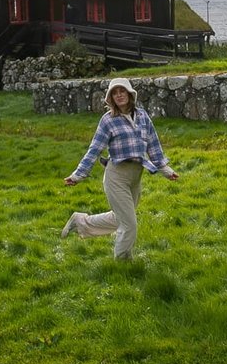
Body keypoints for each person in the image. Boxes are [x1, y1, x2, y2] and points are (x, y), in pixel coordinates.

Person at [61, 77, 179, 260]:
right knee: (130, 224)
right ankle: (123, 264)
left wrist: (166, 170)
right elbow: (95, 149)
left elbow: (153, 145)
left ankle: (81, 221)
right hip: (116, 176)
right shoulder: (108, 120)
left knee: (121, 218)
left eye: (122, 91)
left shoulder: (142, 116)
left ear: (130, 94)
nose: (119, 95)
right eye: (115, 93)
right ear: (111, 98)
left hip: (135, 177)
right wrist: (78, 174)